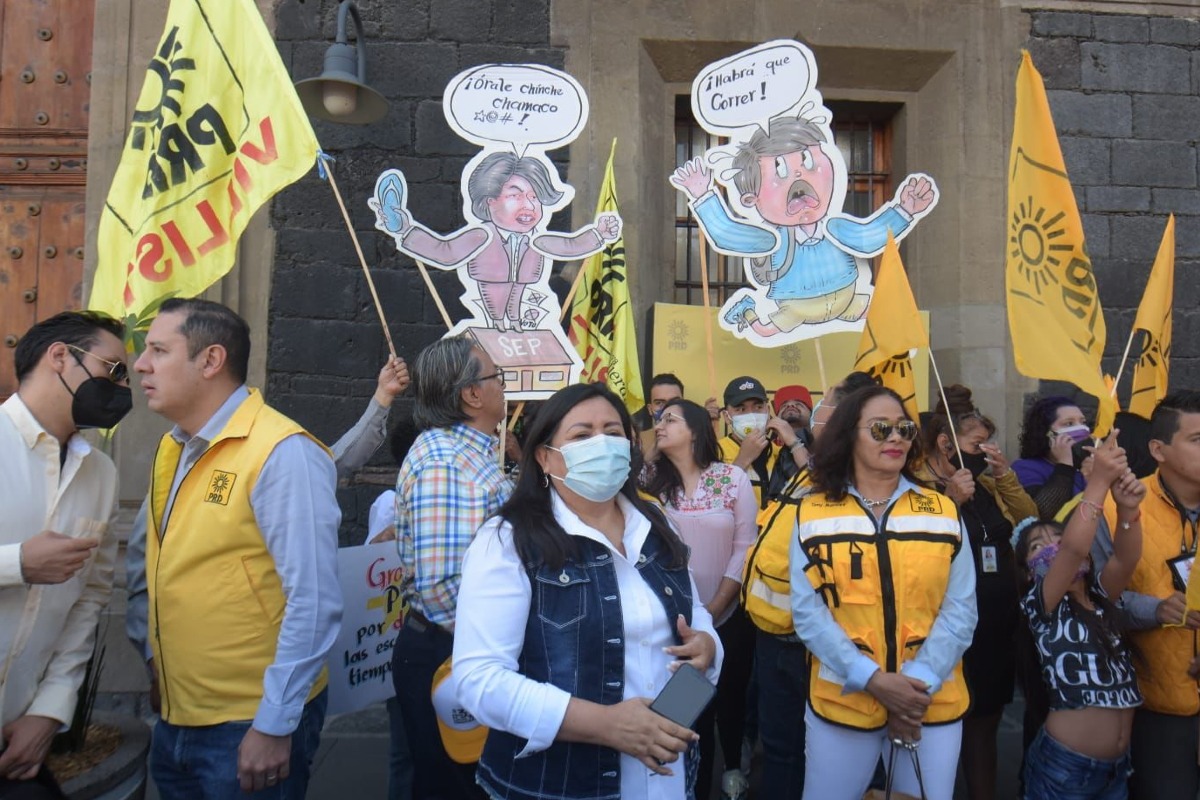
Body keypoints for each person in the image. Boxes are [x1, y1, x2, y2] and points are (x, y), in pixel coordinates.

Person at [453, 382, 721, 800]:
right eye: (581, 435)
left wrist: (708, 647)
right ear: (545, 457)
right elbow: (478, 679)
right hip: (562, 785)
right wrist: (607, 724)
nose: (602, 444)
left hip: (667, 781)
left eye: (613, 433)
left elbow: (695, 614)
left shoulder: (657, 524)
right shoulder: (509, 541)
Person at [133, 298, 343, 797]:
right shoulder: (174, 445)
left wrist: (273, 724)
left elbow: (313, 602)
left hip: (248, 723)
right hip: (177, 713)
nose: (140, 364)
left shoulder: (282, 452)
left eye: (159, 350)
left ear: (210, 361)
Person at [790, 385, 977, 800]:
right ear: (848, 435)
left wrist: (914, 688)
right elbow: (809, 613)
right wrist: (872, 680)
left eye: (904, 429)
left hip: (930, 703)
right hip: (844, 703)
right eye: (880, 429)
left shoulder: (942, 511)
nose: (895, 438)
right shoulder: (811, 511)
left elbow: (961, 609)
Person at [0, 311, 130, 798]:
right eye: (114, 369)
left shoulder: (100, 473)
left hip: (19, 739)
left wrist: (50, 709)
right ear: (60, 358)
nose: (122, 388)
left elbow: (89, 599)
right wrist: (17, 565)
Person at [670, 115, 936, 337]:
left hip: (847, 298)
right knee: (764, 330)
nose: (799, 176)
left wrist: (904, 211)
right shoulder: (772, 240)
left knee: (888, 317)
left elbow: (869, 238)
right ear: (752, 199)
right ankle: (746, 310)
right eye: (780, 171)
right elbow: (727, 234)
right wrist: (702, 195)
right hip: (796, 307)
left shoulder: (836, 229)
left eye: (809, 162)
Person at [745, 370, 876, 800]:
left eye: (828, 400)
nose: (818, 407)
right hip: (775, 631)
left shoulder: (856, 474)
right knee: (781, 750)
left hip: (813, 641)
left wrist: (798, 442)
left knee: (819, 751)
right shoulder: (814, 467)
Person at [390, 335, 511, 799]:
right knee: (455, 786)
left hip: (457, 652)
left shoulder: (466, 454)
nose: (503, 386)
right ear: (471, 395)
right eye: (495, 377)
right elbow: (443, 590)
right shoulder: (446, 463)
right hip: (450, 656)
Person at [918, 385, 1037, 800]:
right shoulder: (919, 486)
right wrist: (950, 500)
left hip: (996, 625)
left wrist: (1003, 474)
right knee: (944, 727)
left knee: (985, 723)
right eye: (978, 443)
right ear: (945, 443)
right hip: (948, 628)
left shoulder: (985, 483)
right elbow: (918, 548)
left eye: (990, 442)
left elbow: (1028, 523)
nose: (986, 450)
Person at [1013, 432, 1145, 799]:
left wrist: (1129, 510)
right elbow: (1072, 549)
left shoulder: (1102, 598)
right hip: (1064, 770)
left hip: (1117, 770)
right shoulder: (1042, 606)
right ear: (1027, 571)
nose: (1052, 549)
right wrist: (1099, 482)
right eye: (1038, 547)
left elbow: (1126, 559)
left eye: (1056, 538)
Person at [643, 398, 756, 800]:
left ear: (695, 429)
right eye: (658, 420)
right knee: (689, 714)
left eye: (670, 419)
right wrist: (695, 621)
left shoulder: (731, 478)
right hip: (675, 627)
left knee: (728, 696)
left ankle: (732, 769)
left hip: (725, 617)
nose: (660, 425)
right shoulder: (648, 483)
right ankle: (694, 787)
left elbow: (745, 547)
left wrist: (713, 609)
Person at [373, 152, 620, 331]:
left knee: (513, 313)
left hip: (521, 291)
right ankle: (499, 325)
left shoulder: (537, 240)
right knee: (496, 317)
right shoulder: (481, 235)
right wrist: (405, 231)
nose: (529, 205)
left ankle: (511, 325)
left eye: (535, 197)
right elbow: (445, 251)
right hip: (490, 289)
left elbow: (570, 246)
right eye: (516, 195)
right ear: (489, 200)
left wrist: (598, 235)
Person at [1105, 390, 1200, 800]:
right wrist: (1155, 609)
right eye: (1197, 439)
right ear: (1158, 449)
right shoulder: (1118, 506)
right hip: (1157, 703)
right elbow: (1090, 601)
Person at [1013, 396, 1092, 519]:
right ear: (1046, 432)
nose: (1080, 428)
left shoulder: (1082, 468)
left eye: (1082, 422)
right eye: (1069, 423)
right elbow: (1043, 512)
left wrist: (1097, 479)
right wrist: (1065, 465)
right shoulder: (1025, 468)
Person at [715, 375, 778, 507]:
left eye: (758, 407)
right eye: (741, 409)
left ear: (768, 410)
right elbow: (711, 501)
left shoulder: (780, 452)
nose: (751, 415)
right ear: (726, 417)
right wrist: (742, 460)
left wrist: (794, 444)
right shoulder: (714, 452)